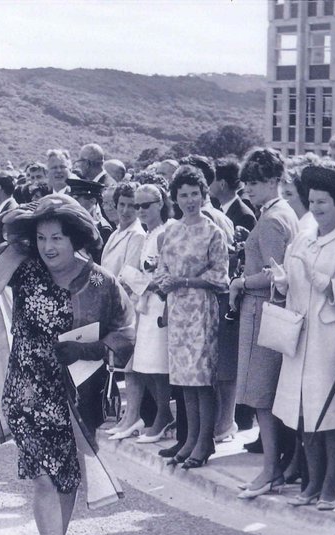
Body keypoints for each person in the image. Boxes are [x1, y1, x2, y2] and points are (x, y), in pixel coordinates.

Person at [0, 194, 134, 535]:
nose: (48, 246)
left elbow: (126, 333)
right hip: (26, 389)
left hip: (76, 395)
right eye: (41, 237)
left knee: (67, 479)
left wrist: (90, 349)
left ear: (73, 238)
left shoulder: (101, 283)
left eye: (57, 237)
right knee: (43, 478)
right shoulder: (22, 267)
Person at [270, 164, 335, 510]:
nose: (316, 208)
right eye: (312, 201)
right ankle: (311, 482)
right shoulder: (304, 236)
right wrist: (283, 282)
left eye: (323, 202)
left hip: (331, 338)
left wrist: (326, 285)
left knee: (332, 413)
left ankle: (331, 484)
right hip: (301, 335)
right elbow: (294, 282)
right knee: (303, 413)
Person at [147, 165, 230, 469]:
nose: (190, 200)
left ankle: (203, 442)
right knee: (183, 379)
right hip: (179, 310)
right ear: (175, 198)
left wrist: (184, 282)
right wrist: (163, 281)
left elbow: (221, 276)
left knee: (201, 378)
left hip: (201, 308)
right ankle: (191, 438)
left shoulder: (213, 232)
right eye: (183, 195)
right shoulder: (171, 230)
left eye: (195, 194)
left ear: (204, 195)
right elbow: (162, 267)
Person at [230, 148, 301, 499]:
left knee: (262, 395)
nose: (249, 188)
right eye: (247, 182)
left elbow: (275, 274)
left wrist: (241, 282)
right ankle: (275, 468)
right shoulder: (278, 212)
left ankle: (271, 470)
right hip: (265, 310)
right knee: (265, 396)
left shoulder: (273, 218)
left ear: (275, 181)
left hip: (264, 310)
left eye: (256, 182)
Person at [110, 183, 172, 444]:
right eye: (138, 206)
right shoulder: (149, 234)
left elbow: (163, 276)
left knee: (157, 366)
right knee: (146, 366)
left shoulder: (165, 232)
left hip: (159, 306)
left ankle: (164, 416)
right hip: (145, 307)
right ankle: (161, 415)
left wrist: (134, 278)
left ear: (160, 204)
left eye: (146, 205)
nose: (141, 210)